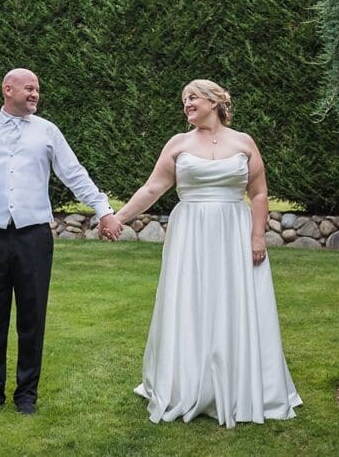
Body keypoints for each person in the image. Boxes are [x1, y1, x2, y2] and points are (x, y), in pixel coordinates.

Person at [110, 79, 302, 427]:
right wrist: (117, 218)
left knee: (235, 301)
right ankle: (188, 384)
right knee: (192, 302)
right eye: (184, 99)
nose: (186, 104)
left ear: (214, 101)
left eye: (193, 98)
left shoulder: (243, 142)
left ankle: (241, 386)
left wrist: (257, 236)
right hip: (191, 235)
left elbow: (259, 193)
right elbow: (153, 188)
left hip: (235, 231)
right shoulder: (178, 144)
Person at [0, 68, 124, 416]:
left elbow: (74, 174)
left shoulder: (47, 131)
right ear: (8, 89)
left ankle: (26, 395)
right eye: (29, 88)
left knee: (33, 315)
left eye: (37, 90)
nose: (35, 94)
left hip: (34, 236)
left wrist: (103, 210)